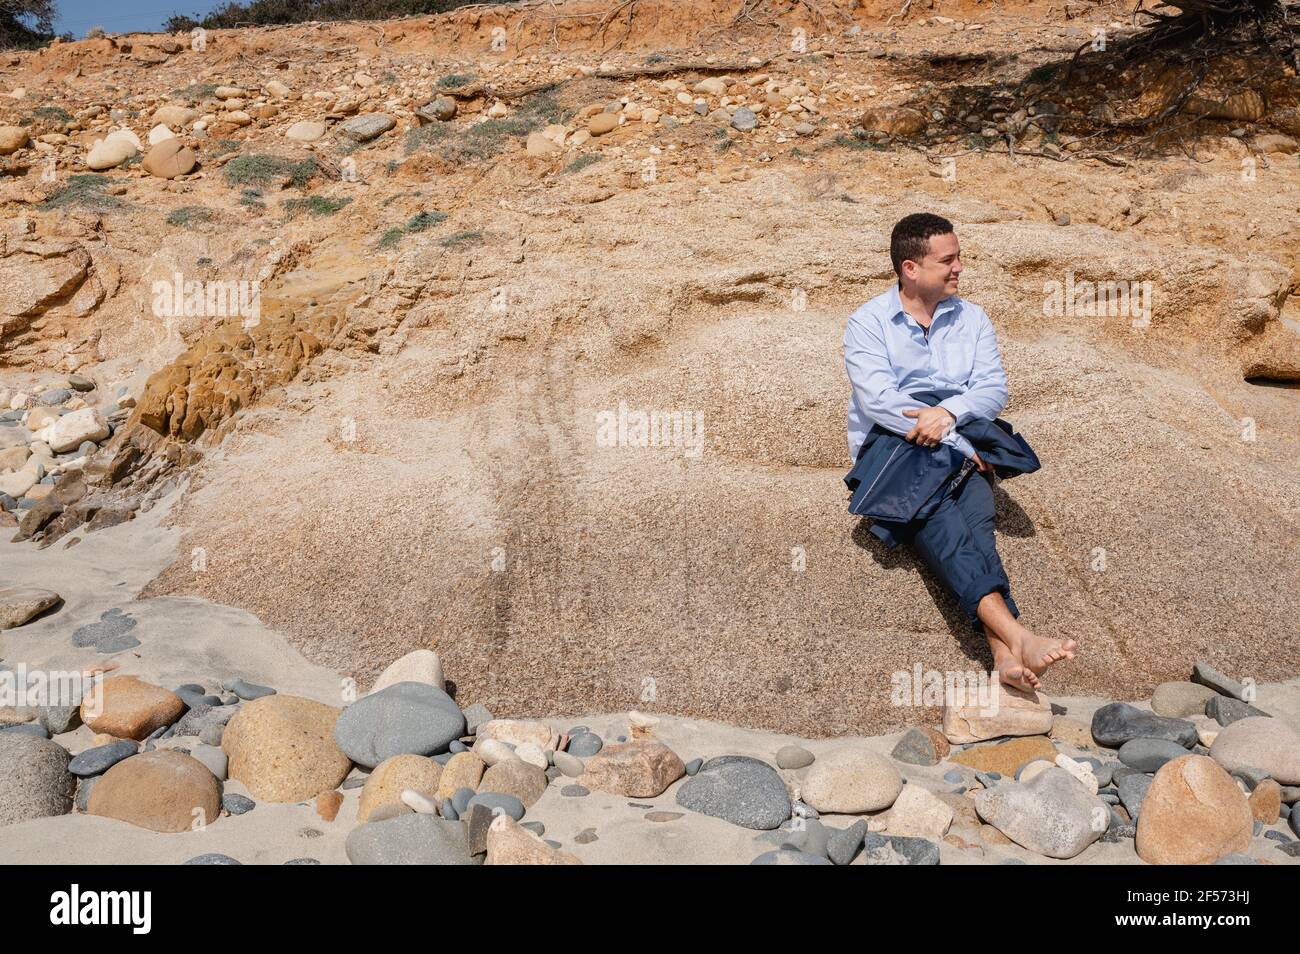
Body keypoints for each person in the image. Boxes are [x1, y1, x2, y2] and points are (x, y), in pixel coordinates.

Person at [842, 212, 1077, 692]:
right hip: (896, 443)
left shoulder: (972, 317)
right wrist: (959, 440)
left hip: (956, 435)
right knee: (940, 520)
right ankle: (1016, 634)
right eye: (947, 260)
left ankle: (1002, 657)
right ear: (911, 268)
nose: (959, 268)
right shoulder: (867, 322)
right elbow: (881, 401)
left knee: (976, 528)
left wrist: (949, 419)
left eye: (958, 257)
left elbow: (992, 389)